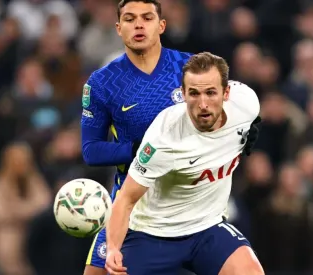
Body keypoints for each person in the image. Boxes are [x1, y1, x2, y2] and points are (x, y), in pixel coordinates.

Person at [80, 1, 260, 274]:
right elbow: (90, 151)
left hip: (197, 203)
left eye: (147, 18)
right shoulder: (102, 82)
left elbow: (224, 99)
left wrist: (247, 129)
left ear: (161, 25)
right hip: (138, 202)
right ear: (118, 28)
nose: (139, 25)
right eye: (129, 19)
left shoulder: (188, 67)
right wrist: (137, 150)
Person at [105, 52, 264, 275]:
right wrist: (113, 249)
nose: (203, 104)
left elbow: (250, 120)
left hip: (207, 227)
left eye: (211, 93)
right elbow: (126, 198)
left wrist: (247, 131)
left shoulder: (246, 103)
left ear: (226, 92)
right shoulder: (164, 138)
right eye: (194, 94)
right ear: (182, 94)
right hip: (153, 233)